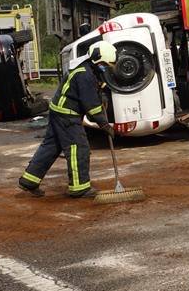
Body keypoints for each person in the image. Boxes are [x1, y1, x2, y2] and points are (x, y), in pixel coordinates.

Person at [18, 41, 117, 198]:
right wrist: (104, 124)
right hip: (67, 115)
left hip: (58, 111)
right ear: (98, 60)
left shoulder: (86, 69)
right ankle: (80, 188)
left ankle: (29, 180)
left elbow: (94, 93)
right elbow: (91, 106)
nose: (107, 68)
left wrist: (102, 95)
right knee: (79, 148)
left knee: (51, 147)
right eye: (106, 65)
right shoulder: (85, 74)